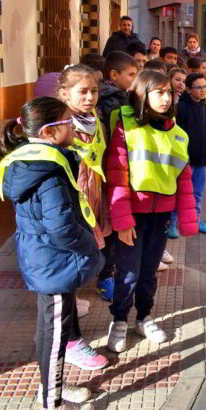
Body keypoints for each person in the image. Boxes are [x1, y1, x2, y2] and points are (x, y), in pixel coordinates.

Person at [0, 97, 103, 406]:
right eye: (68, 122)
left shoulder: (31, 161)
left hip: (44, 257)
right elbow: (61, 226)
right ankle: (51, 397)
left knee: (49, 325)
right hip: (54, 260)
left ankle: (50, 388)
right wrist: (89, 244)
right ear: (49, 131)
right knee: (55, 335)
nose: (74, 127)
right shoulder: (48, 171)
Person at [103, 70, 197, 353]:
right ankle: (119, 320)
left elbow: (184, 178)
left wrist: (188, 219)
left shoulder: (177, 133)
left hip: (161, 217)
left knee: (148, 272)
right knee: (127, 272)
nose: (167, 98)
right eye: (159, 92)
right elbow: (117, 174)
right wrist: (122, 220)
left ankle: (144, 317)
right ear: (143, 94)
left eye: (169, 92)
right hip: (132, 216)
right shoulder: (126, 126)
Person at [58, 65, 114, 349]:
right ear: (64, 94)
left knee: (89, 246)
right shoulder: (60, 126)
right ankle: (68, 316)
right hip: (70, 197)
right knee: (70, 251)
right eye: (82, 91)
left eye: (94, 91)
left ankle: (80, 291)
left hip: (93, 192)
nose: (90, 97)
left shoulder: (94, 120)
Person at [95, 51, 138, 301]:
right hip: (108, 174)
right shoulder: (111, 102)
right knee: (108, 228)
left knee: (111, 227)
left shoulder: (122, 98)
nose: (134, 79)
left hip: (113, 172)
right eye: (130, 74)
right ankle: (105, 277)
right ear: (113, 74)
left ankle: (108, 273)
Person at [172, 72, 206, 235]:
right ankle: (172, 224)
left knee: (197, 194)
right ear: (189, 89)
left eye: (205, 87)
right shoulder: (180, 108)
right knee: (179, 193)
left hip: (202, 160)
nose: (203, 90)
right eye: (198, 87)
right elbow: (176, 134)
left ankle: (195, 221)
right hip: (185, 162)